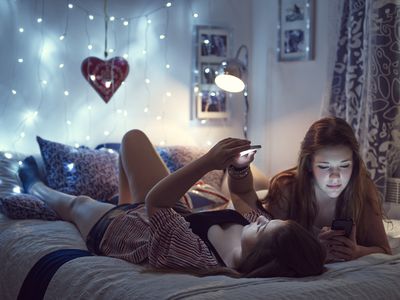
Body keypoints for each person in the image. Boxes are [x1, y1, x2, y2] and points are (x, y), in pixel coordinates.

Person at [19, 129, 325, 278]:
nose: (260, 219)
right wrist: (239, 167)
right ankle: (122, 200)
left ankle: (34, 185)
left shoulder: (202, 259)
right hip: (174, 208)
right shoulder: (255, 227)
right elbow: (244, 195)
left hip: (125, 229)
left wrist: (208, 162)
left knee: (78, 203)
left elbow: (155, 202)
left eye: (263, 228)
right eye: (268, 220)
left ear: (259, 258)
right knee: (133, 138)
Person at [231, 117, 391, 262]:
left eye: (344, 165)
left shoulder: (362, 186)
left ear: (354, 163)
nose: (335, 177)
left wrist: (357, 251)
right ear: (308, 164)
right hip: (256, 205)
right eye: (324, 166)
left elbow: (383, 250)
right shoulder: (287, 188)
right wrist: (314, 249)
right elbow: (267, 251)